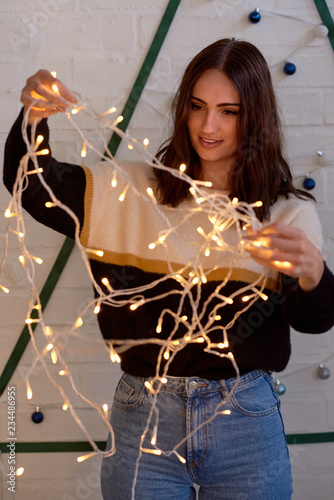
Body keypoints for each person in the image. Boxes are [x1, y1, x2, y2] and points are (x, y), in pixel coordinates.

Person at [3, 38, 334, 500]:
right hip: (142, 420)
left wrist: (313, 273)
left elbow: (315, 321)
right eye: (197, 106)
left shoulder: (283, 214)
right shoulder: (130, 192)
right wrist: (33, 115)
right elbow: (35, 186)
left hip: (245, 422)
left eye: (229, 111)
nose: (208, 126)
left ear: (254, 116)